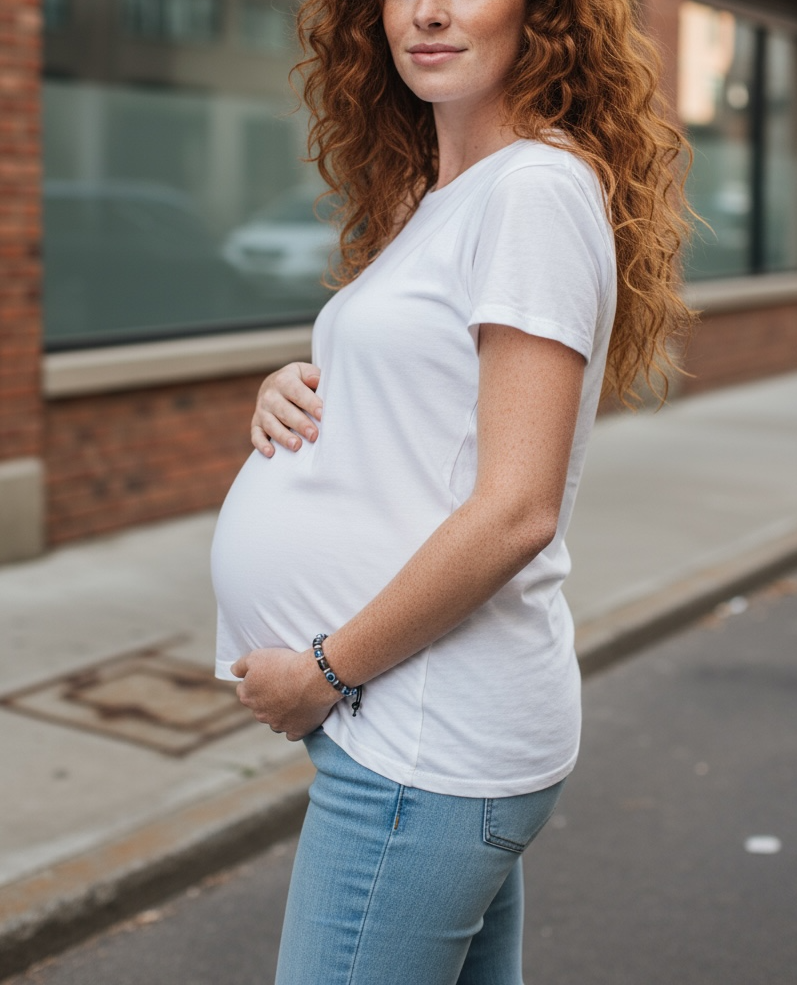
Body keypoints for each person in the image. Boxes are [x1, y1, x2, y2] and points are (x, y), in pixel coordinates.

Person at [211, 0, 695, 981]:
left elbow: (514, 509)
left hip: (418, 740)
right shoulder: (446, 193)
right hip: (414, 734)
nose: (428, 10)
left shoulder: (531, 193)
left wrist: (325, 672)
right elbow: (432, 411)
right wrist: (298, 385)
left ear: (544, 14)